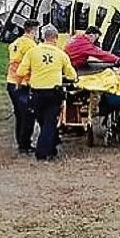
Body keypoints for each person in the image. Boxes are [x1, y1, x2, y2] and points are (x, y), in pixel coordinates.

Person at [18, 25, 76, 161]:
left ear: (43, 38)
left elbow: (21, 72)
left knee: (43, 121)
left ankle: (51, 147)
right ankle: (43, 152)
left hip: (36, 93)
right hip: (53, 93)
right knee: (50, 123)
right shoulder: (61, 54)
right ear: (56, 38)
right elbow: (71, 74)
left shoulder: (32, 52)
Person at [6, 20, 40, 154]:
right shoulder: (30, 45)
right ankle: (25, 144)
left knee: (19, 114)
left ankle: (21, 142)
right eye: (37, 31)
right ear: (33, 30)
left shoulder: (15, 43)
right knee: (28, 114)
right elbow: (33, 64)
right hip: (22, 83)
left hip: (11, 81)